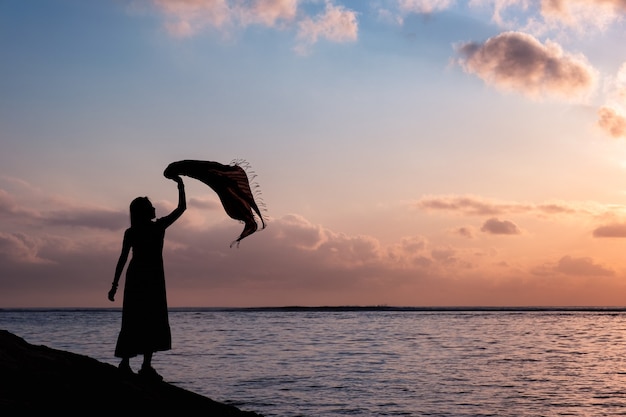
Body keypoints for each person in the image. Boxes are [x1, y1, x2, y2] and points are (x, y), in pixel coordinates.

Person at [108, 175, 186, 380]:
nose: (154, 209)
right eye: (151, 206)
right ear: (143, 211)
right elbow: (181, 208)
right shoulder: (156, 227)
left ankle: (130, 364)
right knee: (150, 318)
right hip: (150, 278)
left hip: (137, 277)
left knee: (135, 319)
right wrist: (181, 187)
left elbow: (122, 260)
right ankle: (143, 366)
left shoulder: (133, 231)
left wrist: (114, 285)